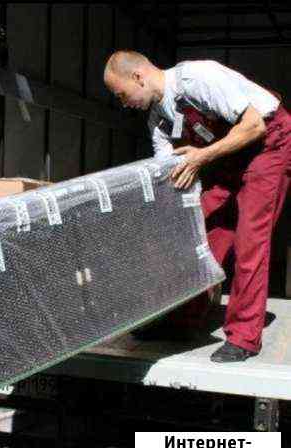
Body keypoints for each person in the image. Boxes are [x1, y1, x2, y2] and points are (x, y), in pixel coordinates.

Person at [104, 51, 291, 362]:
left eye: (122, 94)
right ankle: (181, 322)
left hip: (269, 144)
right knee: (197, 236)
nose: (124, 103)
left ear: (138, 77)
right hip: (229, 156)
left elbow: (254, 125)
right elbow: (167, 174)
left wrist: (203, 157)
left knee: (249, 240)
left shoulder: (198, 78)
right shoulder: (159, 120)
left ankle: (244, 337)